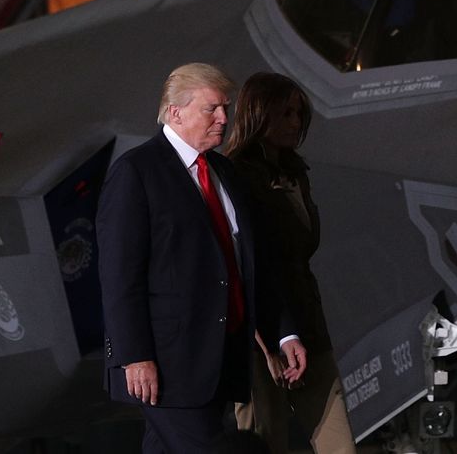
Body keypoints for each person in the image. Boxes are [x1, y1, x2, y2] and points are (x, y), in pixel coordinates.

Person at [97, 62, 308, 454]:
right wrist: (134, 355)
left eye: (225, 108)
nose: (224, 119)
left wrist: (284, 331)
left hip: (216, 358)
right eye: (212, 109)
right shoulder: (136, 172)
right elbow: (119, 276)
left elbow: (247, 264)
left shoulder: (224, 171)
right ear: (175, 112)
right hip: (164, 362)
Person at [228, 72, 356, 454]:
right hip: (260, 340)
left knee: (340, 446)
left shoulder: (296, 172)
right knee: (265, 445)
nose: (294, 123)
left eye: (298, 114)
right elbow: (251, 263)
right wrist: (277, 339)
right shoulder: (235, 175)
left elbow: (300, 254)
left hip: (308, 325)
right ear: (258, 113)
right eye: (284, 113)